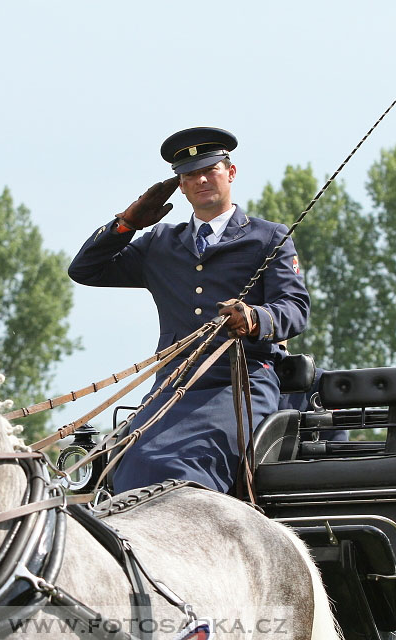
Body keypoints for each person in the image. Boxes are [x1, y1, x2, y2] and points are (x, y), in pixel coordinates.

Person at [68, 127, 310, 494]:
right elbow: (85, 270)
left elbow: (294, 309)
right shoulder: (160, 243)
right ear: (180, 186)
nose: (200, 179)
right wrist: (126, 224)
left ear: (230, 172)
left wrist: (255, 318)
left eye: (209, 169)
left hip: (241, 384)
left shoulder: (268, 238)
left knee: (190, 463)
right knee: (128, 459)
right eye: (189, 175)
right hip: (173, 386)